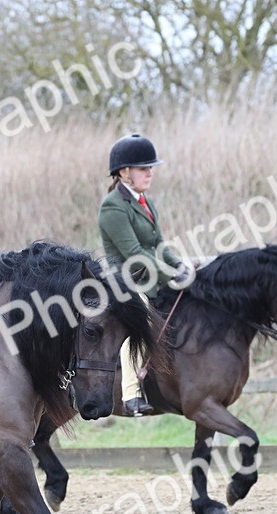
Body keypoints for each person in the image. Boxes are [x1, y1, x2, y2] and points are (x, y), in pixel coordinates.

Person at [98, 133, 188, 416]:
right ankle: (131, 394)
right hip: (125, 281)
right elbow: (135, 252)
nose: (150, 172)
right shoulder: (112, 206)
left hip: (148, 276)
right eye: (144, 168)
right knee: (142, 320)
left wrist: (181, 267)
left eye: (151, 168)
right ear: (124, 172)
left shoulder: (145, 202)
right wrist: (168, 275)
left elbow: (158, 245)